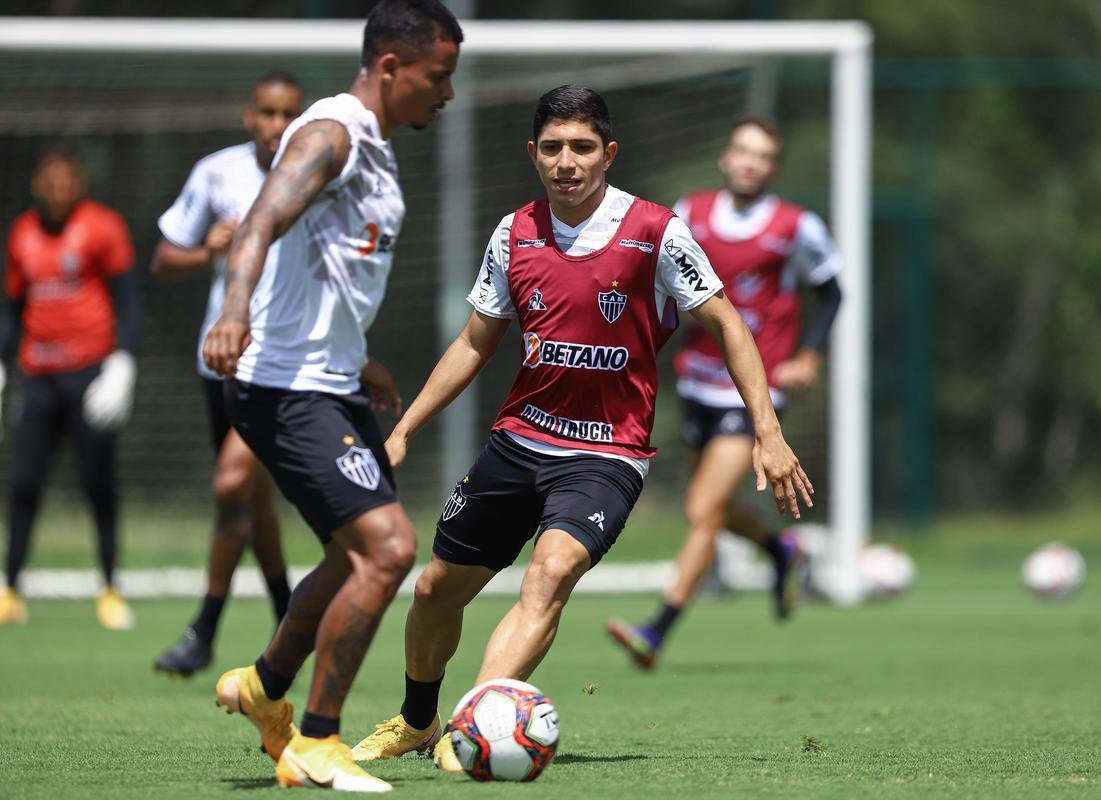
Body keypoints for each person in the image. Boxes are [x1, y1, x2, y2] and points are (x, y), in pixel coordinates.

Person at [349, 85, 814, 773]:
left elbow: (729, 326)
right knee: (433, 590)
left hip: (607, 454)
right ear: (533, 154)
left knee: (551, 571)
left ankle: (472, 727)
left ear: (609, 153)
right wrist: (406, 428)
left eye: (583, 147)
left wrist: (768, 433)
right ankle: (418, 720)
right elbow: (476, 342)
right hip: (518, 441)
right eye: (553, 148)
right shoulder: (515, 232)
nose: (567, 161)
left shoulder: (656, 231)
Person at [201, 0, 461, 791]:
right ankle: (317, 741)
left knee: (354, 557)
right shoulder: (332, 133)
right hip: (284, 389)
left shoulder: (374, 147)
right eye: (437, 76)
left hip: (332, 379)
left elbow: (328, 272)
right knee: (388, 550)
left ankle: (263, 688)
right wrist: (235, 311)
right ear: (390, 66)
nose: (445, 94)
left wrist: (360, 359)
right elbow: (255, 225)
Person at [606, 116, 843, 670]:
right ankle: (781, 549)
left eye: (761, 155)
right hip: (697, 384)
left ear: (773, 168)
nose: (748, 162)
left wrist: (808, 356)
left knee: (703, 510)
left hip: (752, 392)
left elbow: (832, 292)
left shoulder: (795, 226)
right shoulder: (690, 214)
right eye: (741, 150)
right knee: (717, 509)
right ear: (726, 158)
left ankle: (657, 630)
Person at [150, 69, 304, 679]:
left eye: (288, 114)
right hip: (220, 358)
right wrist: (207, 249)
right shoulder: (218, 172)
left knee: (230, 483)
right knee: (252, 497)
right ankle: (290, 614)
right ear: (250, 117)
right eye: (267, 113)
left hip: (280, 360)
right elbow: (163, 257)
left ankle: (203, 629)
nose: (277, 126)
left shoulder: (315, 175)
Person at [0, 147, 141, 630]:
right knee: (23, 485)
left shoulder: (103, 227)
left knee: (99, 484)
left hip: (89, 375)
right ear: (39, 184)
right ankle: (11, 588)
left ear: (78, 183)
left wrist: (122, 362)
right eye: (50, 182)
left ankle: (109, 588)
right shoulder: (21, 234)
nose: (58, 191)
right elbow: (13, 309)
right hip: (37, 377)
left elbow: (128, 300)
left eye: (67, 182)